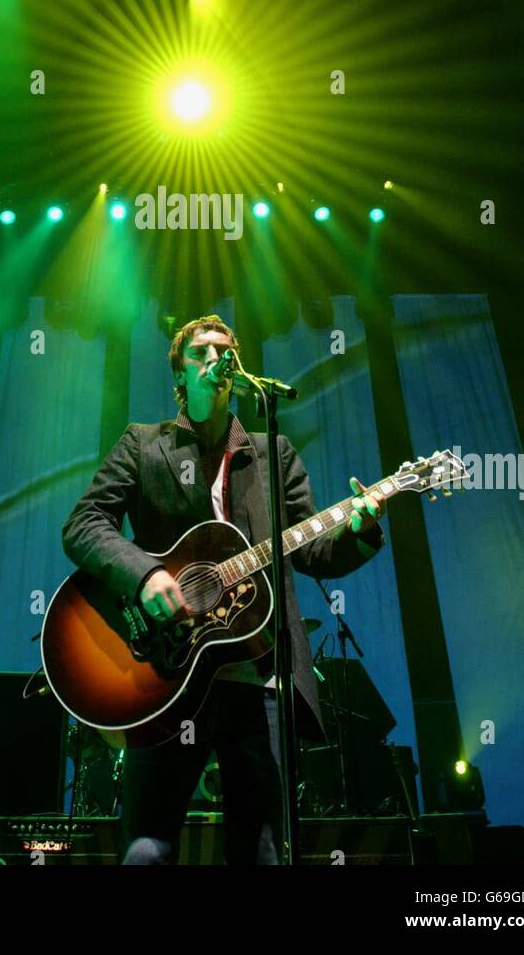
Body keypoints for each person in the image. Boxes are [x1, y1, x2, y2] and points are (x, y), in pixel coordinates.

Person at [61, 314, 386, 864]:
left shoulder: (271, 452)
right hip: (161, 677)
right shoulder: (143, 445)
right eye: (201, 353)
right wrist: (144, 574)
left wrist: (360, 530)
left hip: (255, 682)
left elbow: (309, 550)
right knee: (145, 850)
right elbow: (84, 524)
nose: (216, 360)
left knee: (261, 853)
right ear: (180, 376)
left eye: (225, 352)